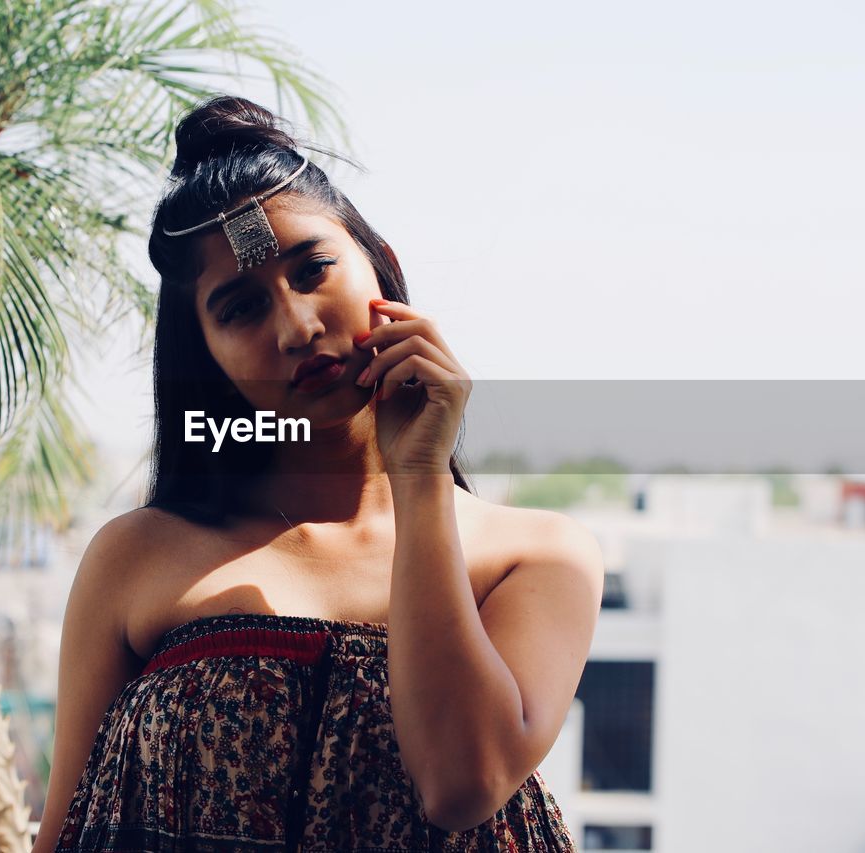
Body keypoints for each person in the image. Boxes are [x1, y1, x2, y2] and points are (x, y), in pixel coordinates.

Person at [31, 94, 604, 852]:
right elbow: (67, 835)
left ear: (381, 263)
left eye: (313, 269)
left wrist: (422, 477)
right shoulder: (138, 558)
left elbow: (461, 783)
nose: (298, 327)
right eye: (240, 307)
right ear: (203, 353)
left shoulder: (537, 556)